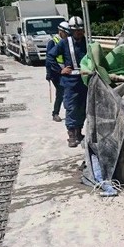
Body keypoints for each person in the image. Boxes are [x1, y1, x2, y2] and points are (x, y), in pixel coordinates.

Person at [47, 16, 88, 148]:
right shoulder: (65, 43)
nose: (79, 33)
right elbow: (50, 56)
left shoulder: (86, 42)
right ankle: (71, 135)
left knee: (82, 108)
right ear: (71, 31)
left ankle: (79, 132)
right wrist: (60, 70)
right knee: (71, 108)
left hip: (84, 81)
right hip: (70, 82)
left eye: (80, 30)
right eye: (76, 31)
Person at [46, 20, 69, 121]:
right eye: (66, 33)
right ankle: (55, 113)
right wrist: (49, 73)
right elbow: (49, 59)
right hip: (56, 73)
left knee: (68, 91)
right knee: (61, 92)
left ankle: (70, 111)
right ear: (61, 32)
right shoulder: (53, 42)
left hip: (65, 71)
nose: (68, 35)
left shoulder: (68, 41)